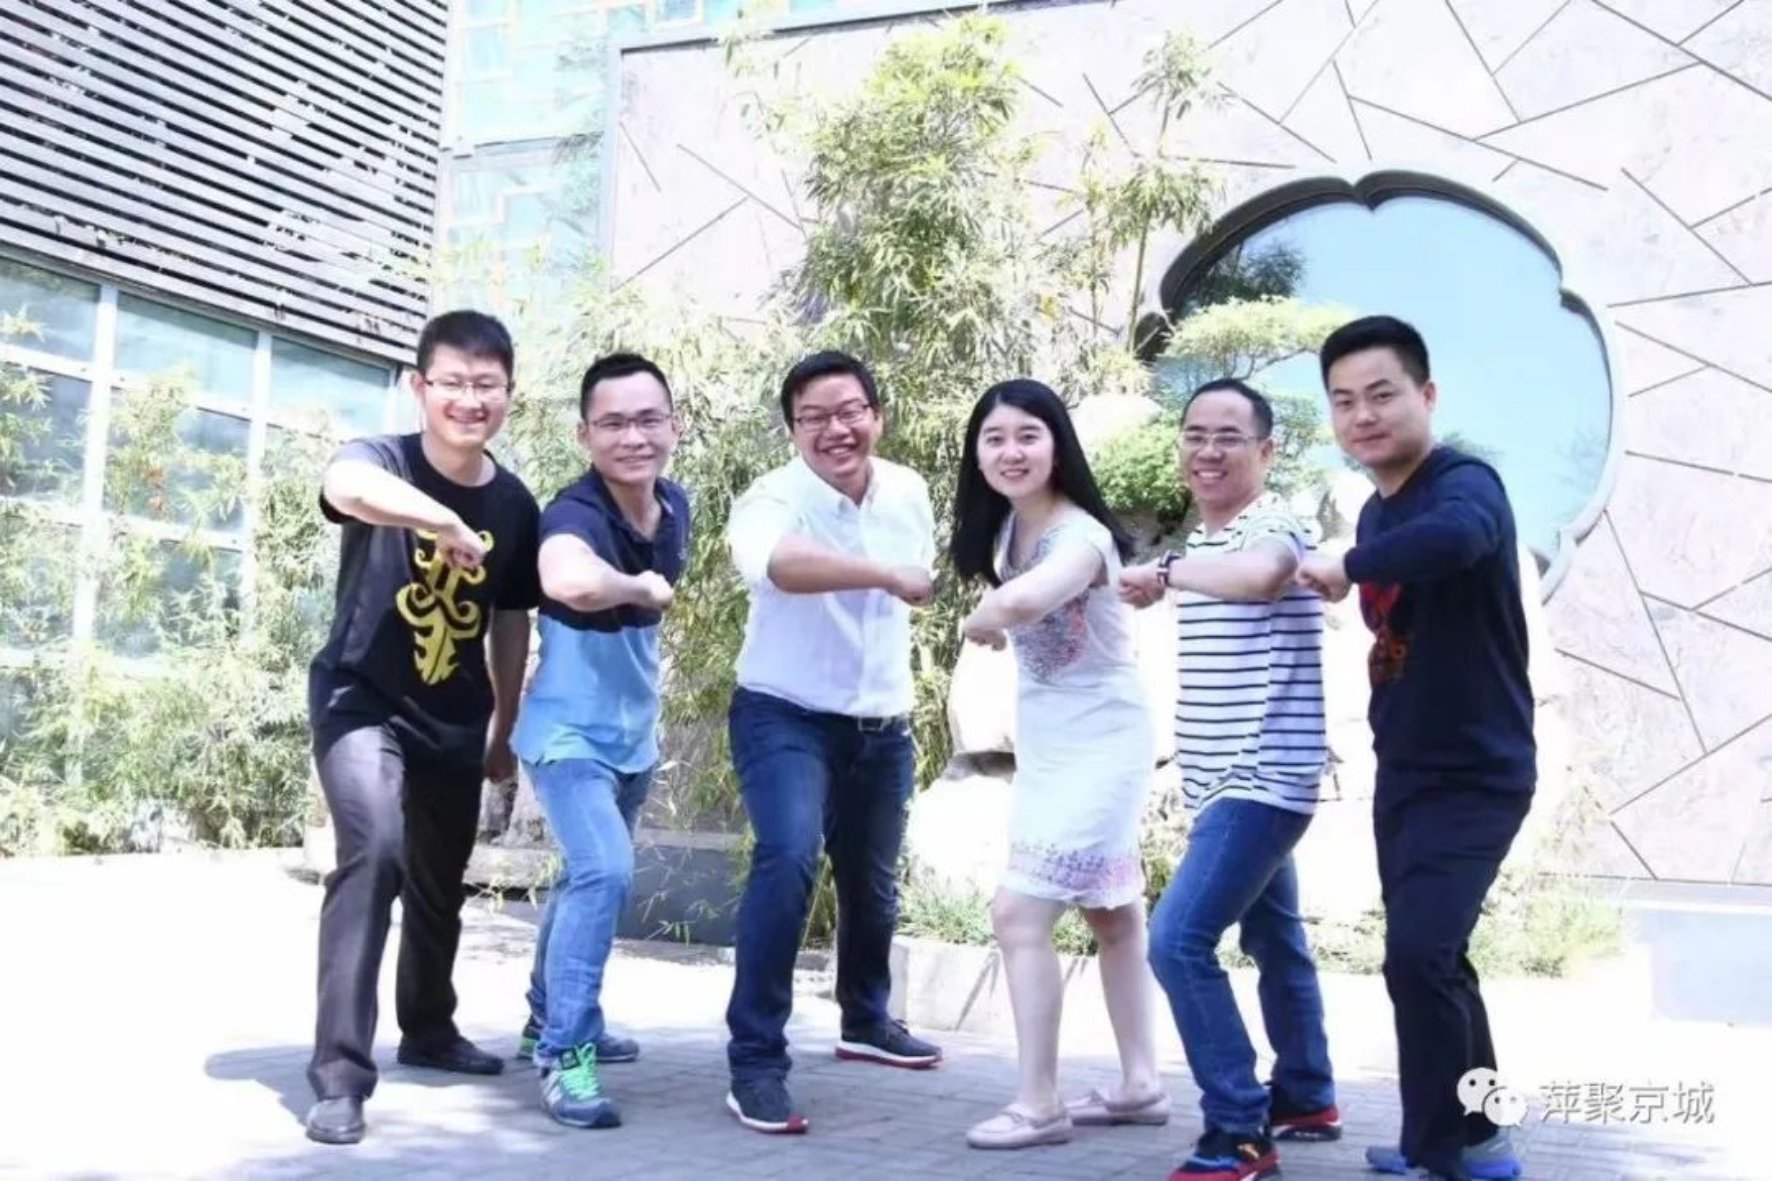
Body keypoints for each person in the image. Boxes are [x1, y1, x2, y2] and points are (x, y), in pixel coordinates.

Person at [1297, 316, 1532, 1181]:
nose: (1362, 415)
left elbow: (1458, 539)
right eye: (1344, 401)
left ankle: (1441, 1151)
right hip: (1408, 769)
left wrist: (1350, 564)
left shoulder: (1465, 483)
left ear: (1426, 395)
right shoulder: (1377, 508)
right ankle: (1478, 1134)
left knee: (1419, 956)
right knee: (1438, 960)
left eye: (1382, 394)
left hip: (1478, 771)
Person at [303, 310, 541, 1146]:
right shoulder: (383, 459)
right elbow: (344, 488)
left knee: (442, 879)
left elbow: (510, 617)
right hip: (360, 699)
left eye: (487, 385)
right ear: (419, 386)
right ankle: (340, 1074)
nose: (470, 400)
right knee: (375, 854)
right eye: (453, 383)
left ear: (509, 393)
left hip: (455, 712)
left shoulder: (515, 503)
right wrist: (438, 520)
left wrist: (505, 724)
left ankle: (430, 1027)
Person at [1120, 379, 1339, 1181]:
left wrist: (1167, 570)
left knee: (1176, 941)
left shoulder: (1270, 523)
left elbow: (1267, 574)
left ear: (1266, 451)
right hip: (1228, 781)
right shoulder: (1209, 542)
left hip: (1261, 778)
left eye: (1228, 437)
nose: (1207, 451)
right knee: (1274, 936)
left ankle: (1240, 1129)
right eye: (1195, 434)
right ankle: (1306, 1093)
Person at [722, 350, 943, 1135]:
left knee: (872, 880)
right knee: (788, 857)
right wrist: (881, 572)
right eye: (812, 418)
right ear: (792, 430)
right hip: (783, 712)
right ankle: (755, 1060)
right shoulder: (772, 497)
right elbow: (778, 564)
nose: (834, 429)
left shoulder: (908, 490)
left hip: (881, 718)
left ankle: (866, 1018)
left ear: (877, 415)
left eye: (849, 411)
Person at [949, 379, 1166, 1151]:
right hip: (1051, 743)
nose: (1011, 452)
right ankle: (1140, 1083)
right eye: (994, 438)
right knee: (1112, 914)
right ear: (977, 455)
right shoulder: (1008, 528)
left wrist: (986, 614)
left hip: (1104, 742)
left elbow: (1023, 602)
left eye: (1027, 435)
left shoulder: (1082, 536)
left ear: (1058, 445)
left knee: (1018, 913)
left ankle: (1039, 1102)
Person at [508, 352, 690, 1128]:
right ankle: (565, 1053)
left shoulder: (674, 504)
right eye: (613, 423)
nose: (633, 437)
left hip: (631, 740)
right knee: (606, 870)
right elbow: (567, 579)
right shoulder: (573, 513)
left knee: (584, 876)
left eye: (648, 419)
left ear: (675, 426)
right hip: (567, 737)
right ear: (585, 435)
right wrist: (636, 586)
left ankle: (544, 1015)